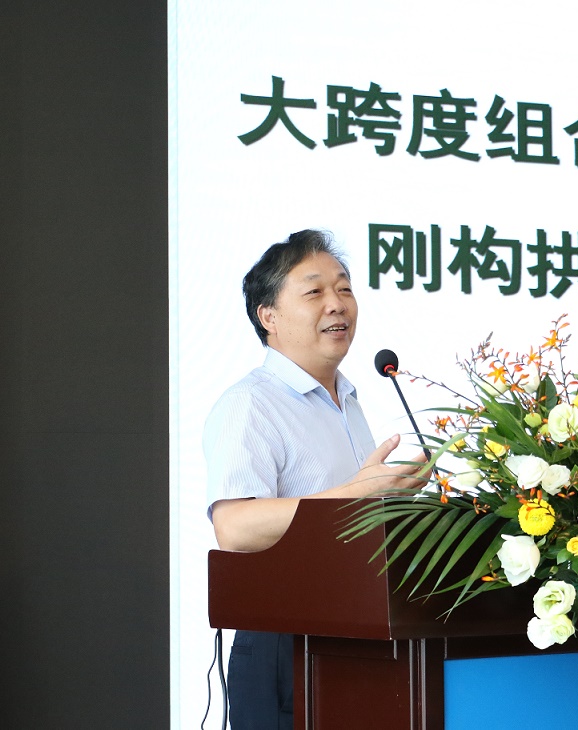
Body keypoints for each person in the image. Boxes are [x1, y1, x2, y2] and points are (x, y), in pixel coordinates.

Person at [204, 229, 425, 729]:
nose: (337, 304)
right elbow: (235, 528)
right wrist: (354, 494)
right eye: (315, 292)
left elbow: (347, 524)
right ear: (269, 316)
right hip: (286, 647)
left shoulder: (349, 401)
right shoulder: (250, 405)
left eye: (344, 288)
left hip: (359, 636)